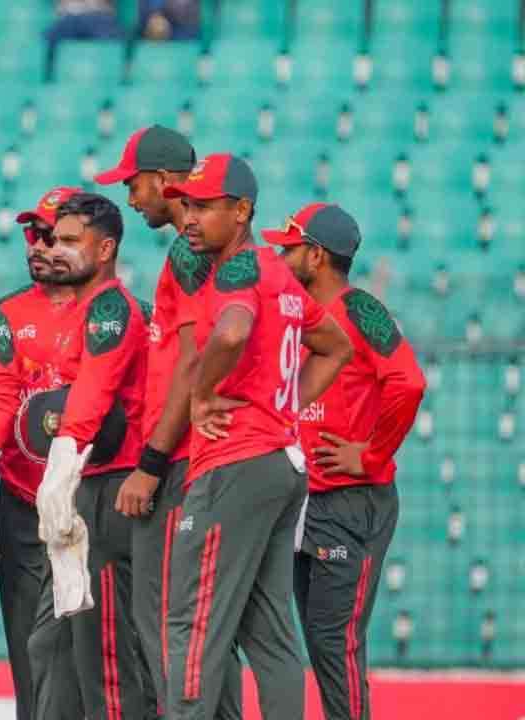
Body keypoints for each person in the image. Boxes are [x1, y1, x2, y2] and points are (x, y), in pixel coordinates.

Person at [160, 154, 353, 720]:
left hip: (236, 462)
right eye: (187, 205)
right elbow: (335, 346)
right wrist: (283, 408)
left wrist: (200, 395)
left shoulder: (238, 269)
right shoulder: (277, 270)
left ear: (242, 210)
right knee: (269, 633)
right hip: (280, 462)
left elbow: (232, 332)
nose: (190, 218)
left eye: (204, 207)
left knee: (192, 620)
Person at [97, 125, 244, 719]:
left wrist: (152, 463)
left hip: (181, 459)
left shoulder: (187, 250)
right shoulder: (203, 251)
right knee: (204, 626)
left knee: (165, 617)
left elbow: (191, 361)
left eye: (133, 184)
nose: (131, 199)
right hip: (201, 456)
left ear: (163, 180)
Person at [267, 202, 426, 720]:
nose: (281, 257)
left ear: (316, 255)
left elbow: (409, 381)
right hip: (306, 501)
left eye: (290, 249)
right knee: (319, 640)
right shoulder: (299, 315)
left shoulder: (359, 308)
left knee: (335, 642)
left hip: (350, 501)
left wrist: (371, 453)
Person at [31, 192, 150, 720]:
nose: (55, 250)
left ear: (105, 250)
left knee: (106, 654)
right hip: (95, 480)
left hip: (111, 486)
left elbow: (94, 392)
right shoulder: (88, 307)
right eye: (53, 239)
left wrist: (59, 470)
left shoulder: (108, 306)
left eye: (70, 241)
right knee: (77, 649)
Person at [0, 185, 83, 720]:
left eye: (52, 236)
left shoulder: (112, 313)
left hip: (85, 506)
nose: (39, 245)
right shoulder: (2, 315)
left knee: (88, 650)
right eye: (33, 234)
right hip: (22, 502)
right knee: (27, 646)